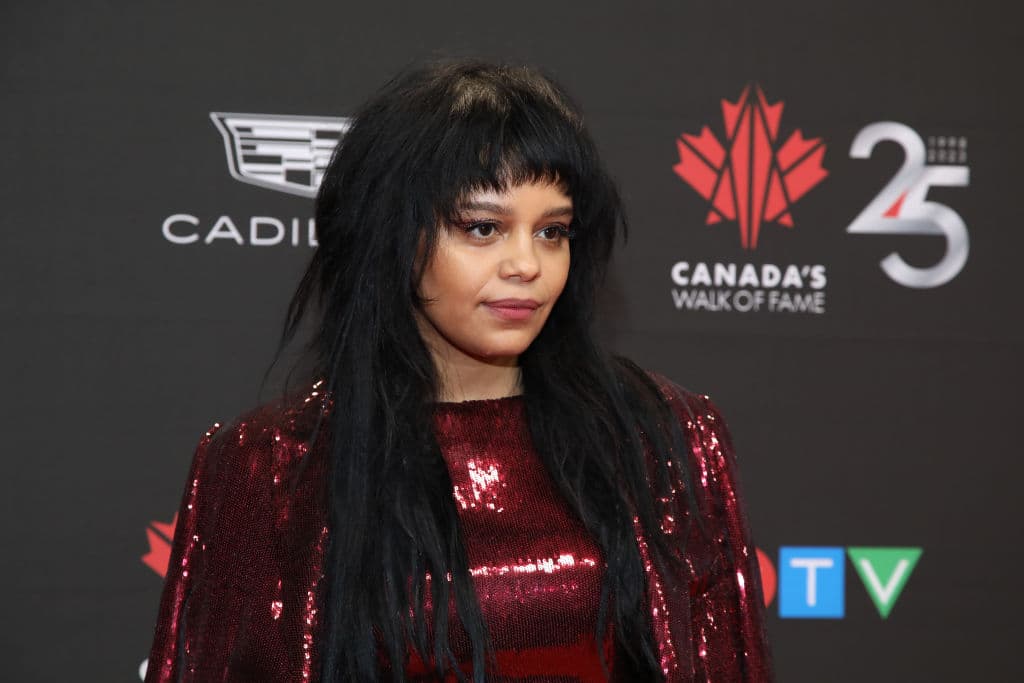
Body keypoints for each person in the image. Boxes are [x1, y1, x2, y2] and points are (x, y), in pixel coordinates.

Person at [144, 58, 773, 682]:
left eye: (553, 231)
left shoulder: (661, 436)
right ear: (393, 236)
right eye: (482, 227)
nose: (527, 263)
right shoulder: (271, 464)